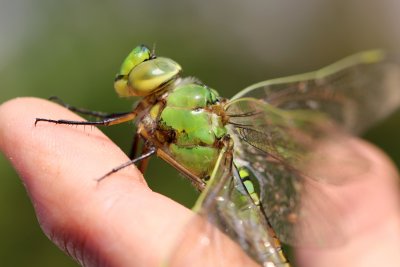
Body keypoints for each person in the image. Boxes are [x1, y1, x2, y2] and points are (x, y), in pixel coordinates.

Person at [1, 97, 399, 267]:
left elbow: (155, 141)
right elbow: (148, 132)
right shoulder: (158, 112)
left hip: (232, 178)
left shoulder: (190, 110)